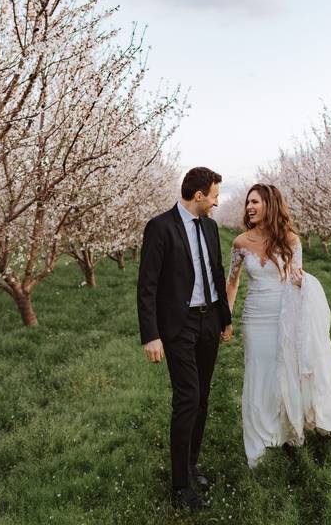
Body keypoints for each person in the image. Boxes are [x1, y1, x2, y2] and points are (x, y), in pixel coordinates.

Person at [225, 183, 331, 468]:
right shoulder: (240, 243)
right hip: (254, 317)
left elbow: (297, 278)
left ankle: (286, 429)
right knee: (258, 372)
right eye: (248, 202)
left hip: (283, 314)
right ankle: (259, 438)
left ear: (270, 205)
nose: (249, 207)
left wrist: (305, 284)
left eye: (256, 202)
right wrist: (225, 318)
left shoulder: (291, 241)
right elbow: (233, 281)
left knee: (284, 371)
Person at [136, 167, 234, 510]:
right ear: (198, 195)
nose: (217, 202)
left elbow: (218, 272)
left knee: (203, 397)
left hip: (209, 322)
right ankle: (180, 487)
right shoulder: (160, 227)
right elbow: (147, 285)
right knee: (187, 398)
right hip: (179, 326)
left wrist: (225, 318)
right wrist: (151, 335)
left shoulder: (209, 226)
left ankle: (191, 464)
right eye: (215, 195)